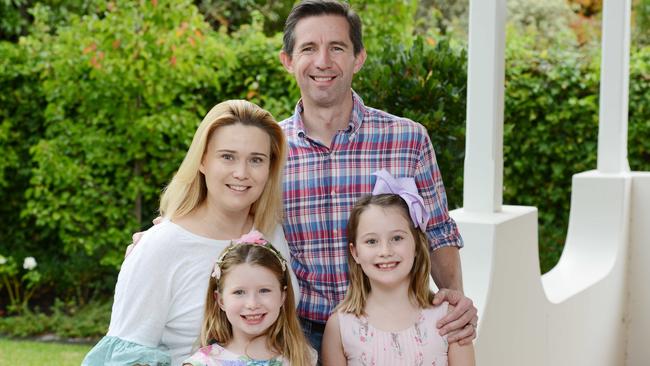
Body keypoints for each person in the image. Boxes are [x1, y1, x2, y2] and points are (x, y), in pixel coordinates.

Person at [277, 0, 477, 352]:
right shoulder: (270, 149)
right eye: (309, 48)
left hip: (392, 333)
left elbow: (438, 231)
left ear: (359, 58)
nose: (323, 61)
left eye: (337, 47)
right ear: (288, 60)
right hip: (298, 338)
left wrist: (454, 302)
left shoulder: (407, 139)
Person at [83, 100, 298, 365]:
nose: (241, 173)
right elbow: (126, 358)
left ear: (270, 168)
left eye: (256, 160)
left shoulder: (270, 233)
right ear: (203, 161)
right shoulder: (159, 247)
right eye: (227, 156)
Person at [321, 171, 475, 365]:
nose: (385, 251)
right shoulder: (340, 327)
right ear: (355, 253)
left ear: (418, 245)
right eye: (371, 241)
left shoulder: (449, 319)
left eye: (397, 238)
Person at [182, 231, 315, 366]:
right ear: (220, 300)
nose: (252, 304)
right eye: (239, 292)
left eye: (264, 290)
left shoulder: (302, 357)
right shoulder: (202, 363)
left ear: (282, 296)